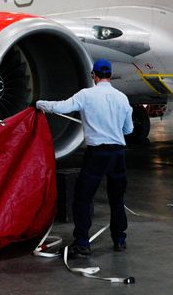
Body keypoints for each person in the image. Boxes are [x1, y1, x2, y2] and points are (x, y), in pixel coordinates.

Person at [36, 59, 133, 257]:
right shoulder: (122, 98)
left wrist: (39, 104)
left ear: (94, 76)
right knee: (117, 198)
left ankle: (82, 242)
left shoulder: (86, 95)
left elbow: (62, 107)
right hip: (118, 155)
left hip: (97, 154)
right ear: (110, 75)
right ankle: (120, 240)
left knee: (83, 198)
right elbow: (128, 129)